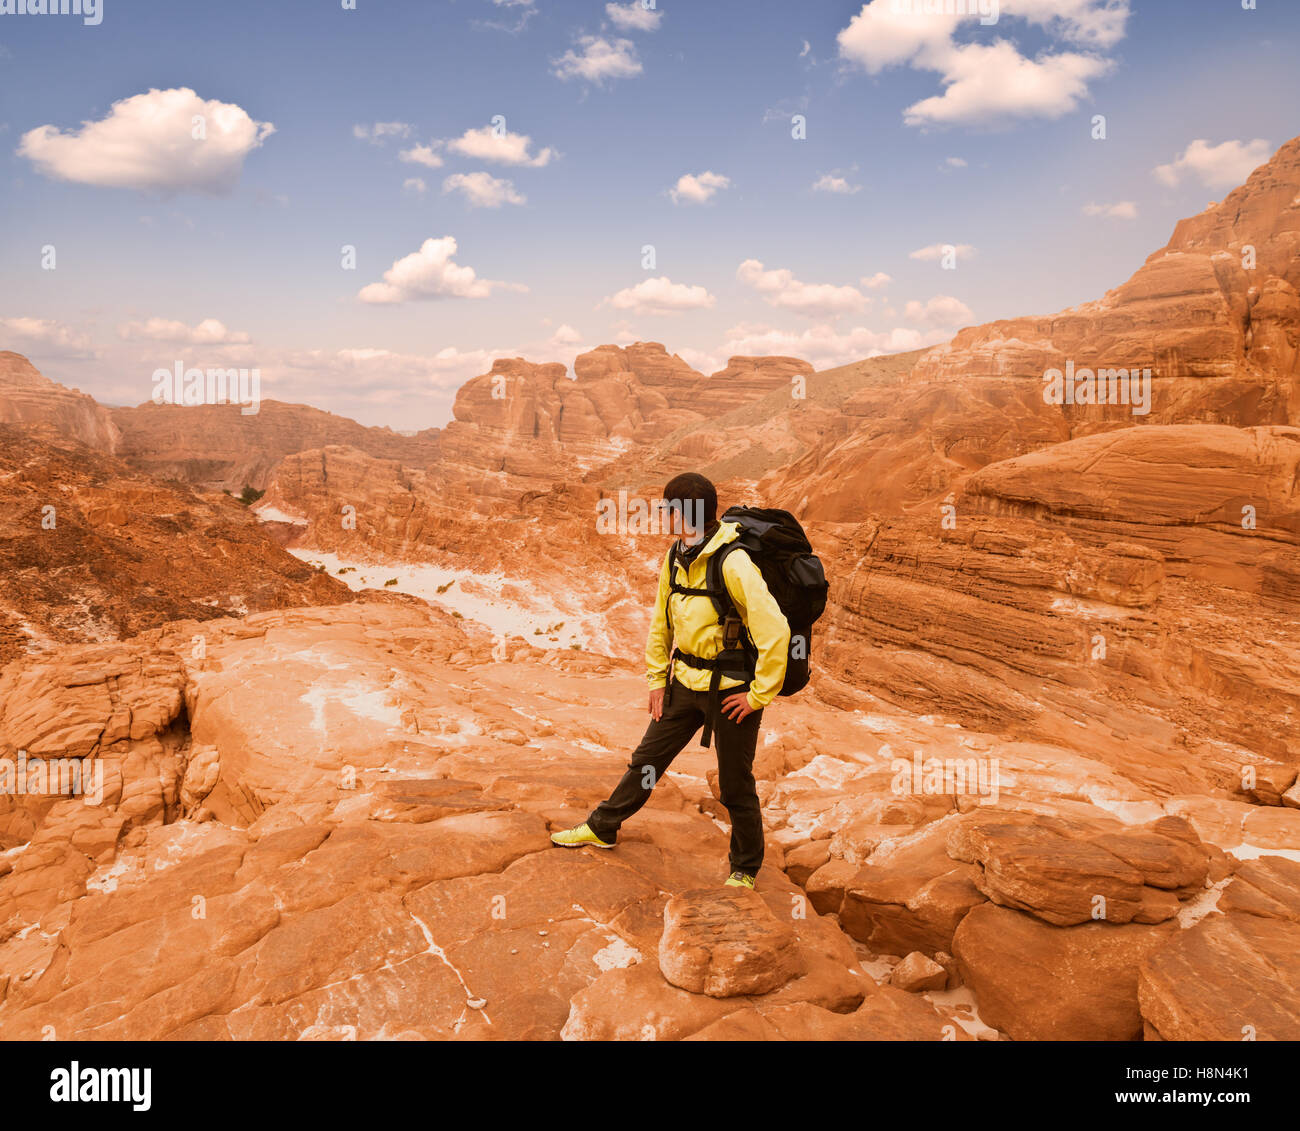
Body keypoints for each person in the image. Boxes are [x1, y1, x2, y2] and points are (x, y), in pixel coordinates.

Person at [550, 472, 790, 889]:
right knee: (646, 762)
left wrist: (757, 696)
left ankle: (745, 868)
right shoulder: (674, 555)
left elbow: (777, 632)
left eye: (669, 509)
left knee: (736, 784)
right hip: (683, 684)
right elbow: (660, 623)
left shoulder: (732, 562)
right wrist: (657, 680)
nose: (663, 515)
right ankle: (604, 826)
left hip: (731, 691)